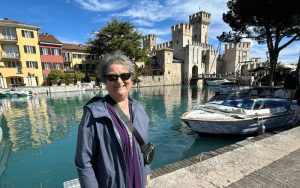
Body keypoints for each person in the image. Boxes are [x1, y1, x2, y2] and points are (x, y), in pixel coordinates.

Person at [75, 51, 151, 188]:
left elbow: (144, 146)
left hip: (138, 179)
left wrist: (146, 170)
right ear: (105, 81)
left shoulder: (139, 110)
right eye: (112, 77)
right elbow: (84, 161)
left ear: (131, 79)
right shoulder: (93, 114)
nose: (119, 81)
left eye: (125, 76)